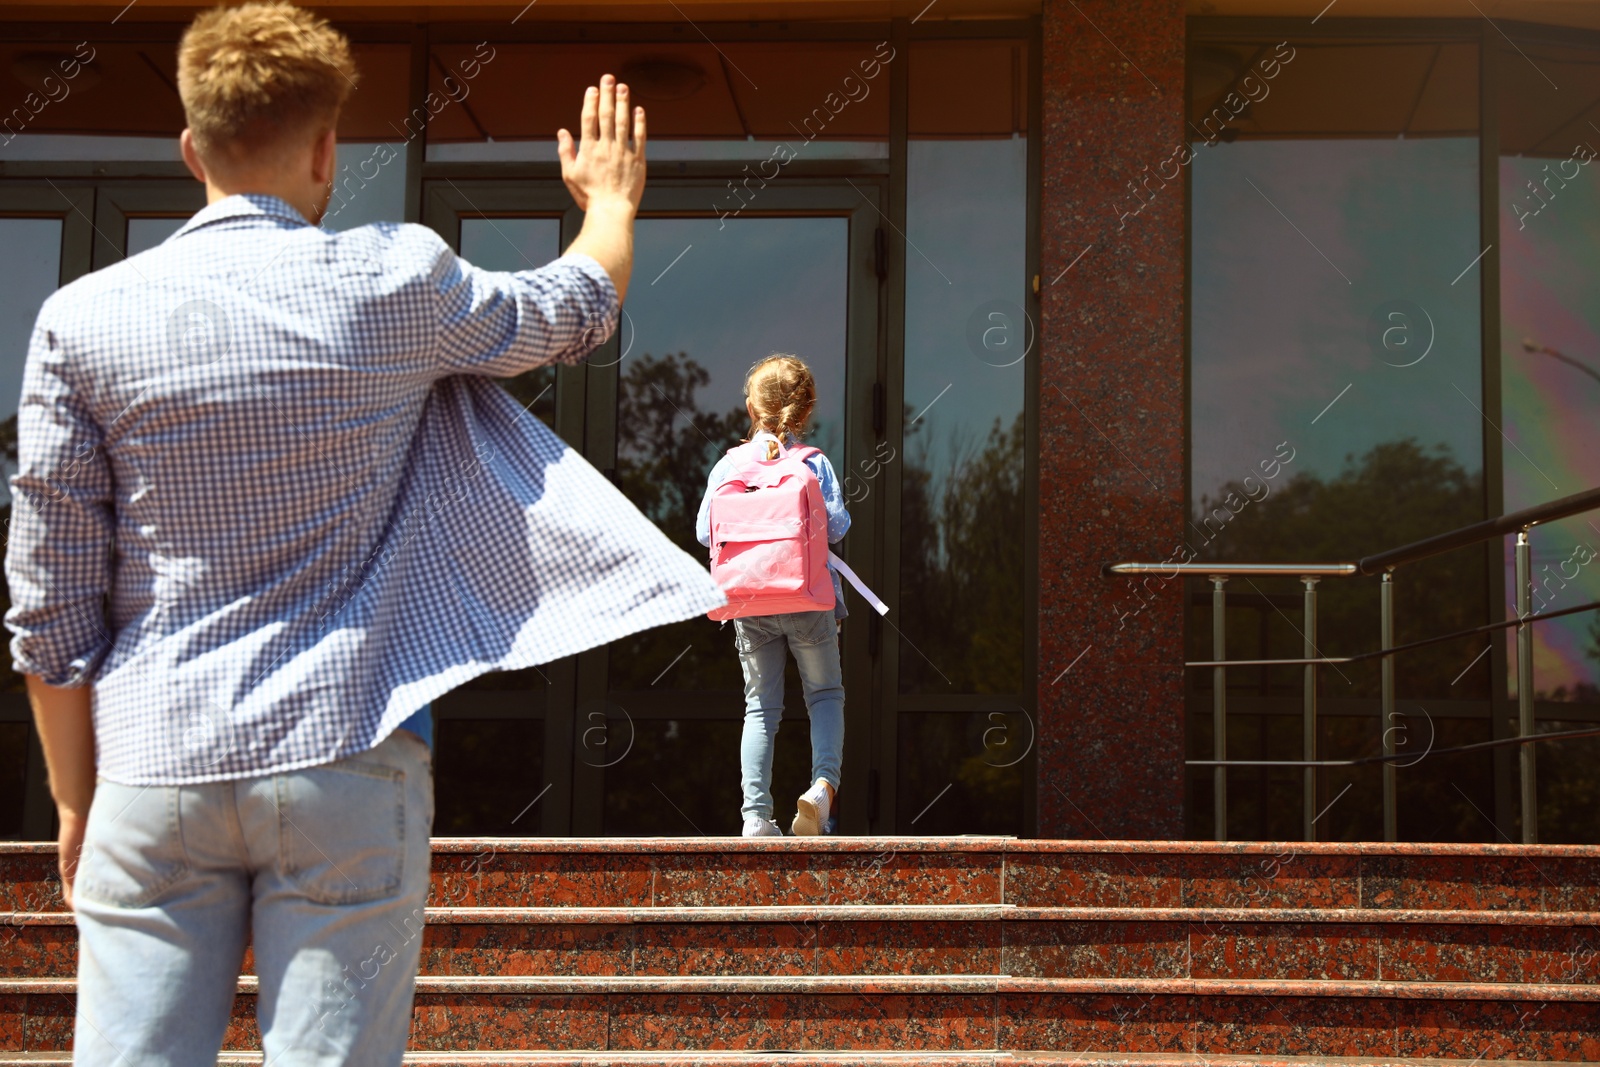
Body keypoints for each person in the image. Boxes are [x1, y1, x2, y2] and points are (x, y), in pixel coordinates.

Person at [4, 3, 721, 1064]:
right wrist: (609, 203)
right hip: (346, 753)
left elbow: (48, 603)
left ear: (191, 148)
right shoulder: (396, 280)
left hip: (153, 760)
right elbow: (572, 307)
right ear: (328, 149)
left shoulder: (79, 319)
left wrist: (76, 795)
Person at [695, 355, 850, 837]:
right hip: (806, 597)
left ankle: (756, 817)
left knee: (761, 706)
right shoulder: (813, 462)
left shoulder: (728, 465)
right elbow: (839, 526)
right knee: (824, 694)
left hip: (748, 602)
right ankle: (822, 789)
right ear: (805, 412)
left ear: (750, 408)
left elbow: (705, 531)